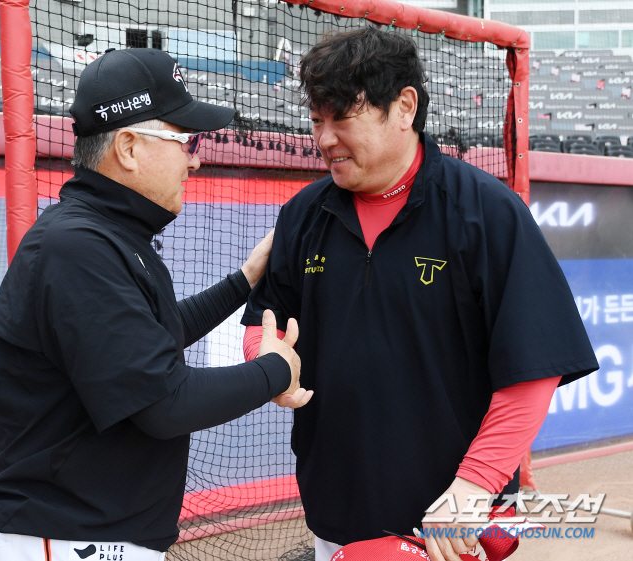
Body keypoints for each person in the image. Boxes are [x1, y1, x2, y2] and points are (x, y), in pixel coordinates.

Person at [241, 28, 598, 561]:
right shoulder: (301, 216)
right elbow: (263, 325)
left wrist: (475, 484)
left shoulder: (487, 211)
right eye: (317, 120)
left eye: (342, 117)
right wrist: (266, 362)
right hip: (337, 514)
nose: (324, 138)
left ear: (404, 106)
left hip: (451, 528)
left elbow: (534, 368)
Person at [0, 48, 310, 561]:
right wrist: (275, 371)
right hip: (71, 541)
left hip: (87, 537)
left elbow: (153, 338)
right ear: (128, 147)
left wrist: (244, 280)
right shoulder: (77, 247)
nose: (196, 157)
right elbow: (163, 403)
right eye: (185, 140)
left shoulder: (104, 232)